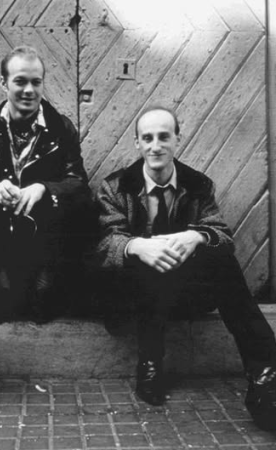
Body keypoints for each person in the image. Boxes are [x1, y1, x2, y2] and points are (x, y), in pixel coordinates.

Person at [94, 106, 276, 431]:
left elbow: (222, 235)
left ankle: (264, 369)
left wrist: (196, 236)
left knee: (219, 256)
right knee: (147, 256)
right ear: (137, 143)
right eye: (147, 138)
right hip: (133, 296)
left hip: (183, 292)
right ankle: (150, 361)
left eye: (164, 137)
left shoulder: (197, 184)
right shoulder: (116, 187)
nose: (156, 146)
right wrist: (137, 246)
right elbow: (103, 244)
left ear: (178, 139)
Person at [0, 45, 93, 322]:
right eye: (20, 81)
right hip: (0, 235)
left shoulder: (61, 129)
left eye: (36, 82)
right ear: (3, 83)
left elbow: (78, 184)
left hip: (45, 234)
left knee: (86, 213)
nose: (29, 90)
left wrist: (44, 189)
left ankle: (46, 285)